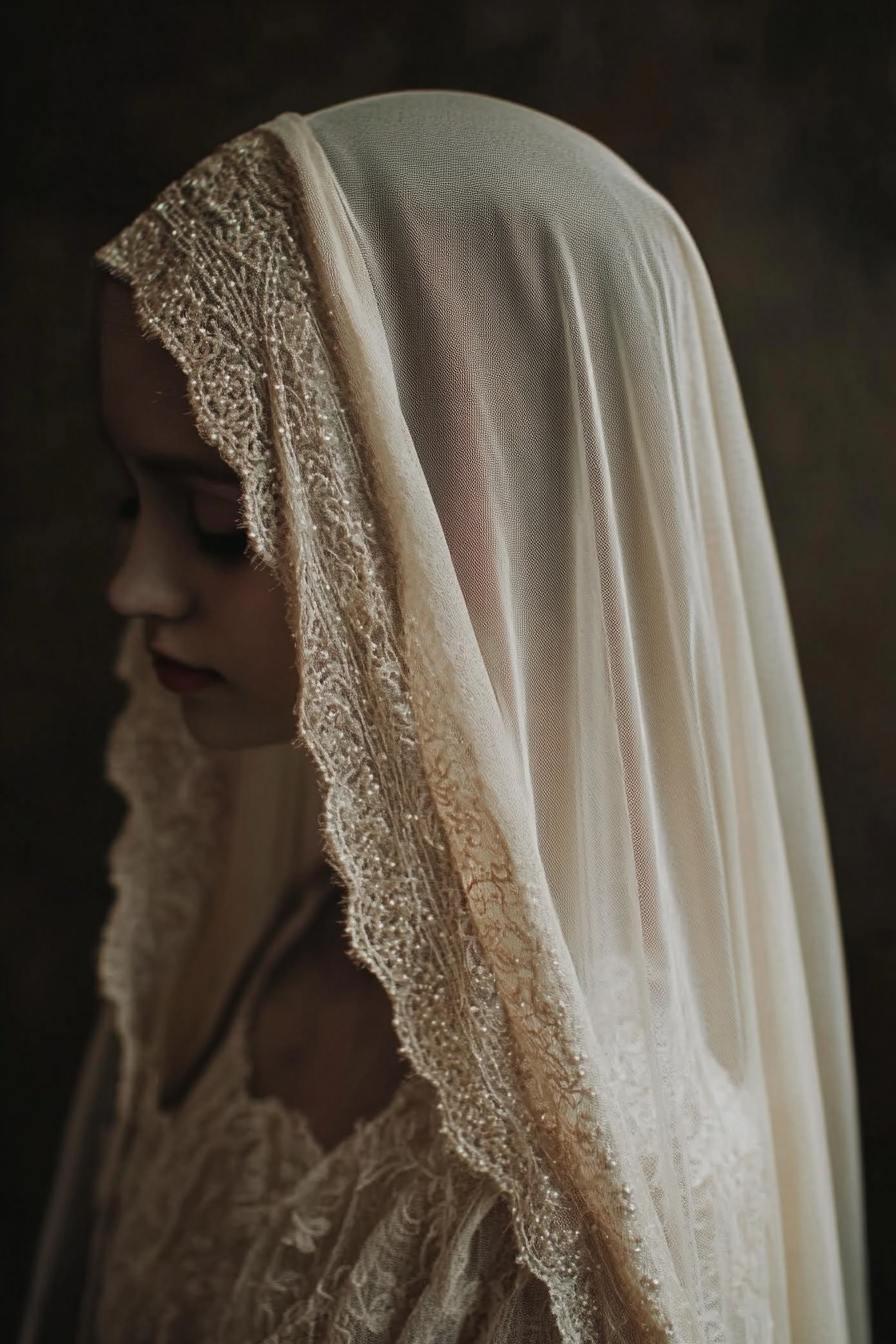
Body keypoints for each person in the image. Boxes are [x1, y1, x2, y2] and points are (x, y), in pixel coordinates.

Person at [19, 91, 869, 1343]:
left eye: (218, 522)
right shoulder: (300, 929)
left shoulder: (621, 1165)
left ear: (454, 528)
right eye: (125, 506)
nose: (134, 588)